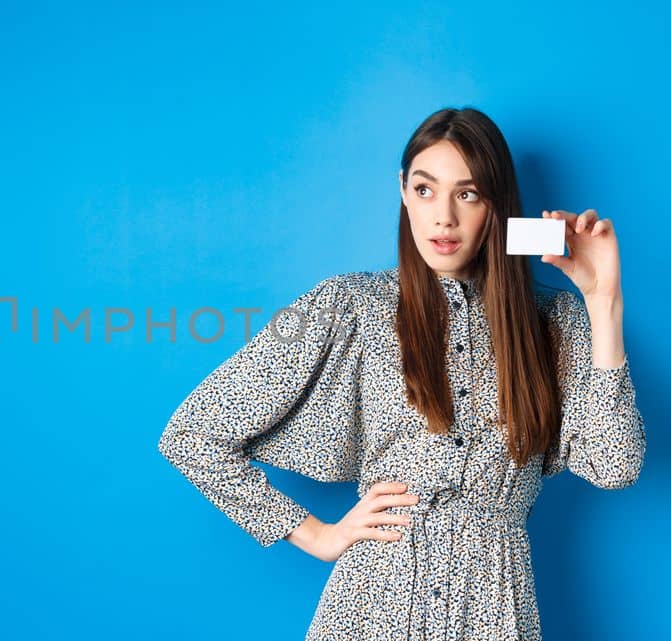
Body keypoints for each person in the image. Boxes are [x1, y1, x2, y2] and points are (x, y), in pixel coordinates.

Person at [156, 106, 645, 641]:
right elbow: (193, 435)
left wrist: (604, 303)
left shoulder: (553, 322)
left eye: (468, 194)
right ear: (403, 191)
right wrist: (316, 534)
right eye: (425, 189)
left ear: (497, 206)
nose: (443, 219)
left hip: (497, 610)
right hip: (374, 605)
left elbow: (614, 465)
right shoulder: (348, 304)